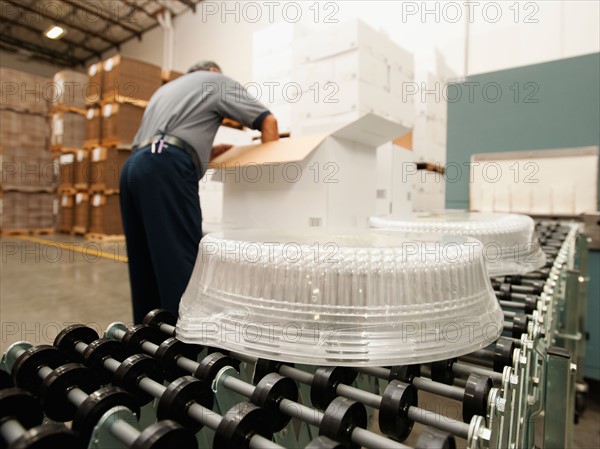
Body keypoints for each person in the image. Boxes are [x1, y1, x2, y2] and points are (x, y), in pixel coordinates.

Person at [120, 60, 279, 324]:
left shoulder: (165, 91)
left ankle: (146, 343)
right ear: (213, 72)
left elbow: (166, 137)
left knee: (145, 267)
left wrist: (204, 153)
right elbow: (267, 120)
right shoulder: (215, 81)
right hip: (165, 164)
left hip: (133, 167)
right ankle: (185, 350)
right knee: (182, 266)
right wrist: (271, 173)